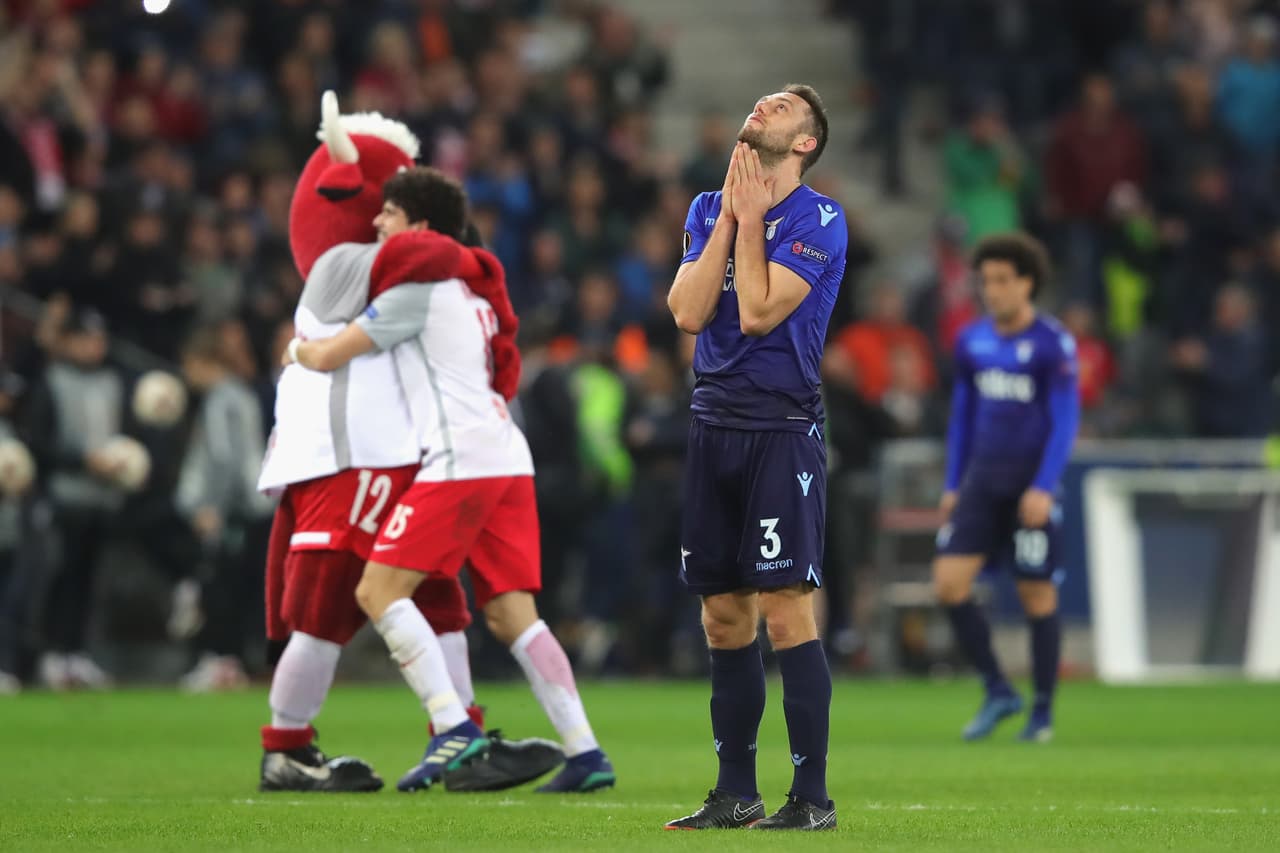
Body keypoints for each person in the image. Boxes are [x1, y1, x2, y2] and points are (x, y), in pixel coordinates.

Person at [256, 93, 556, 793]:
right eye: (388, 200)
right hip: (343, 459)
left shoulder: (392, 262)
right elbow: (436, 260)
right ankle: (287, 746)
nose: (390, 215)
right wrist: (463, 247)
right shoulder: (340, 265)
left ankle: (462, 737)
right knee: (330, 605)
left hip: (392, 457)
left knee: (438, 598)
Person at [287, 166, 616, 794]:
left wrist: (296, 349)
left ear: (420, 225)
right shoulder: (472, 288)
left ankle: (450, 726)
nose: (377, 223)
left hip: (461, 459)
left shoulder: (420, 287)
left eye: (387, 213)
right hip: (505, 456)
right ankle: (585, 752)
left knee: (378, 592)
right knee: (514, 615)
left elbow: (330, 355)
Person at [663, 85, 845, 831]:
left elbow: (759, 308)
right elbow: (687, 310)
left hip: (781, 427)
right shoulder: (709, 207)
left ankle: (811, 798)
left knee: (785, 609)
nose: (763, 107)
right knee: (721, 615)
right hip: (713, 423)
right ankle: (735, 790)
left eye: (782, 107)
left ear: (805, 143)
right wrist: (731, 219)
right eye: (763, 100)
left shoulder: (820, 218)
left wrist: (748, 223)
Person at [932, 232, 1079, 744]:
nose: (991, 290)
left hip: (1028, 490)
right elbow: (962, 419)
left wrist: (1044, 486)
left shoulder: (1052, 343)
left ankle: (1041, 712)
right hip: (981, 485)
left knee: (1036, 593)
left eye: (1001, 280)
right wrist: (953, 483)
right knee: (949, 584)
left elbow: (1064, 421)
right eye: (985, 280)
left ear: (1027, 282)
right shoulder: (972, 341)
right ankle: (998, 688)